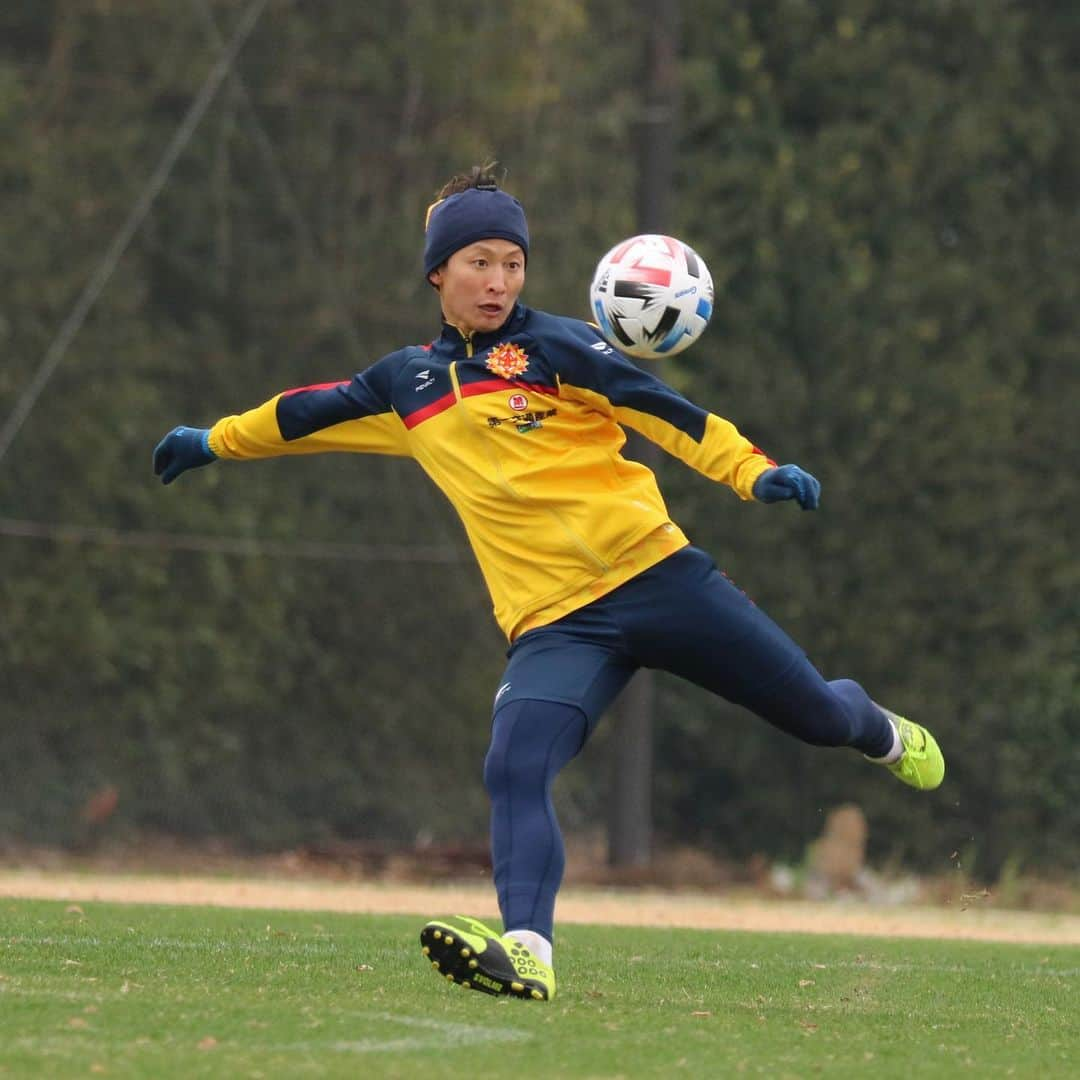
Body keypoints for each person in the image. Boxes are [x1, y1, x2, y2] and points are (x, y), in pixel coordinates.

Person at [153, 164, 944, 1003]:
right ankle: (527, 950)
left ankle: (871, 723)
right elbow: (306, 414)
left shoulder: (557, 347)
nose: (499, 281)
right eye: (480, 263)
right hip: (556, 625)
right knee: (513, 767)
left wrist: (756, 473)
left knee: (818, 717)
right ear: (438, 272)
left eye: (513, 264)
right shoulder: (406, 383)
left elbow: (666, 414)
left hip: (659, 579)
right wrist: (213, 441)